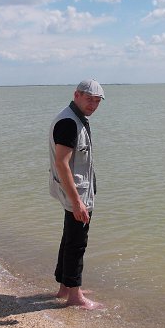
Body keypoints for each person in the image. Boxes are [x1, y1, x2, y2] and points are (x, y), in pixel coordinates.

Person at [49, 79, 105, 310]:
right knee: (77, 244)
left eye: (97, 101)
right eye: (89, 99)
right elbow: (62, 163)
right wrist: (77, 202)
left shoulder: (75, 117)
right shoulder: (69, 123)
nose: (93, 105)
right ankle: (75, 295)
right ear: (77, 95)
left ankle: (65, 287)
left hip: (75, 191)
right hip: (76, 194)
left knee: (69, 238)